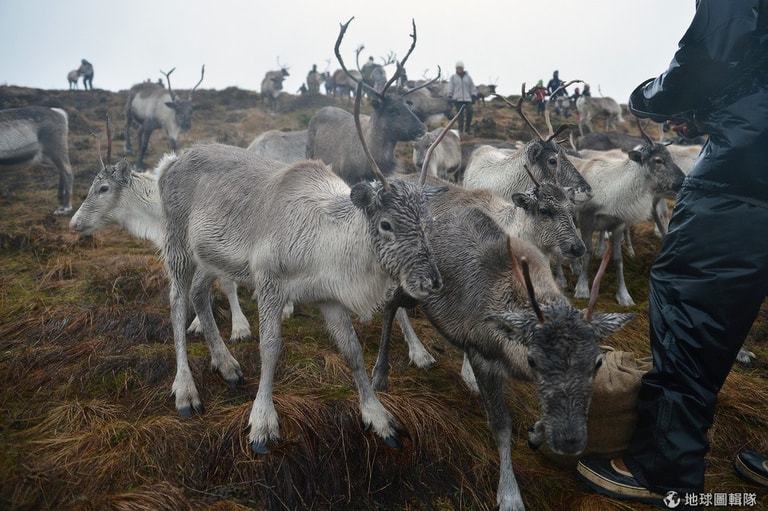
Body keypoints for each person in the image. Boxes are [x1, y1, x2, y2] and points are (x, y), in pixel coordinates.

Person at [576, 0, 768, 507]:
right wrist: (712, 112)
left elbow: (714, 54)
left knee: (692, 307)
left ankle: (664, 469)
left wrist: (650, 97)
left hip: (746, 177)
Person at [445, 61, 477, 134]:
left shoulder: (468, 77)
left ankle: (467, 129)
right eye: (458, 68)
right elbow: (450, 87)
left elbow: (472, 87)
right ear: (456, 69)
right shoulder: (453, 77)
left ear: (463, 68)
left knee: (470, 111)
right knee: (460, 116)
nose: (459, 69)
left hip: (467, 99)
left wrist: (473, 95)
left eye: (460, 68)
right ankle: (460, 130)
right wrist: (450, 95)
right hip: (458, 99)